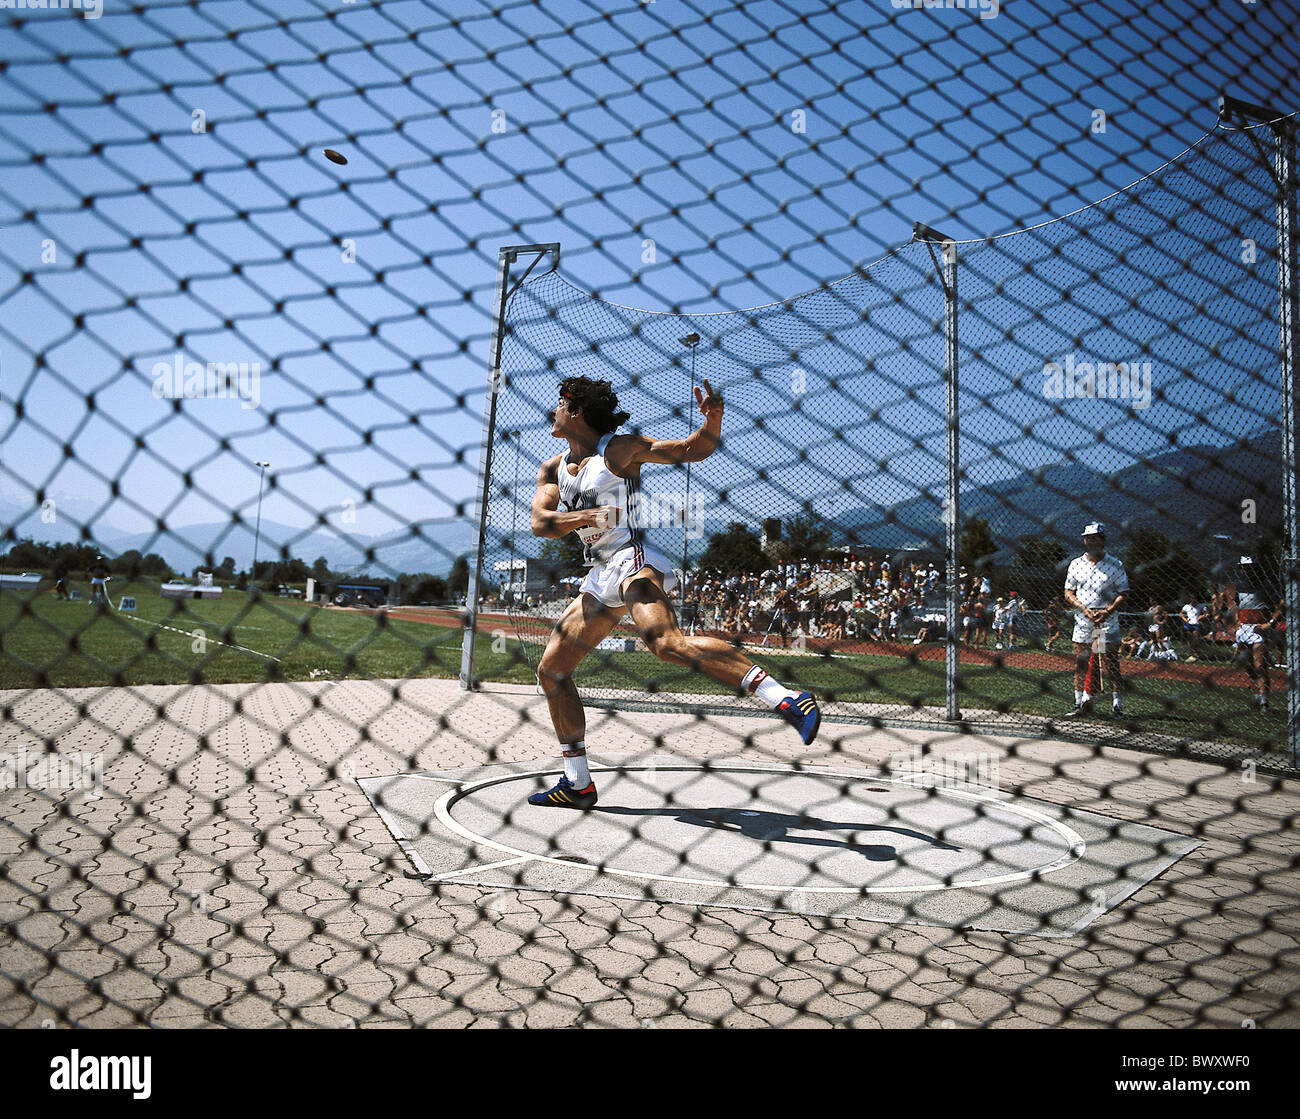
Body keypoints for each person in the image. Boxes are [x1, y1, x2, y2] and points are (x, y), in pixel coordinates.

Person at [527, 375, 821, 809]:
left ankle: (786, 698)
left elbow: (690, 449)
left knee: (665, 644)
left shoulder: (618, 449)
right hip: (600, 570)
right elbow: (540, 524)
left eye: (559, 404)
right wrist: (587, 516)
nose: (552, 411)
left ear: (575, 411)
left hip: (633, 556)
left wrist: (712, 421)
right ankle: (578, 783)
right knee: (551, 670)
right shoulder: (552, 468)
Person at [1062, 521, 1128, 717]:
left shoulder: (1115, 564)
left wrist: (1107, 611)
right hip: (1083, 618)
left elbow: (1124, 593)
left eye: (1095, 538)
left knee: (1110, 662)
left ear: (1103, 540)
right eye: (1087, 538)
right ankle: (1079, 703)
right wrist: (1083, 609)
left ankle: (1117, 706)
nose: (1091, 541)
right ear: (1084, 540)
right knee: (1081, 661)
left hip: (1106, 620)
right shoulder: (1076, 564)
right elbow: (1068, 592)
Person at [1180, 598, 1201, 662]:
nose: (1193, 601)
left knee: (1195, 639)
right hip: (1188, 624)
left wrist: (1202, 616)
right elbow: (1181, 613)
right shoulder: (1187, 606)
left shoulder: (1200, 606)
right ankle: (1192, 655)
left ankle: (1196, 651)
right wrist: (1185, 619)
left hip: (1196, 624)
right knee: (1189, 639)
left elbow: (1207, 613)